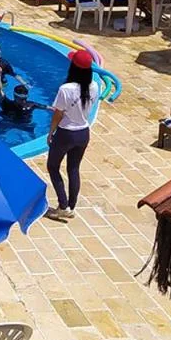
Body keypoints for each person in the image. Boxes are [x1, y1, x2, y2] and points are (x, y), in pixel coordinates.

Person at [45, 49, 99, 220]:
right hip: (83, 132)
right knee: (73, 168)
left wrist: (51, 132)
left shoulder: (66, 89)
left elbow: (58, 114)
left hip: (66, 134)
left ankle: (62, 205)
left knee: (53, 167)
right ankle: (71, 206)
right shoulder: (95, 86)